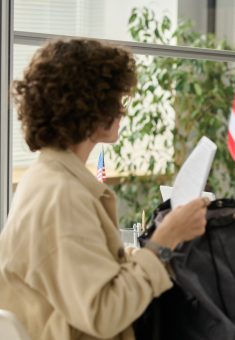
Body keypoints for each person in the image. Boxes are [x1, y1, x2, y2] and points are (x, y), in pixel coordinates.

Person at [0, 38, 209, 340]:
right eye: (116, 100)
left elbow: (75, 272)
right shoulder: (63, 196)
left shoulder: (46, 179)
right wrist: (163, 243)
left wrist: (136, 254)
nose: (122, 111)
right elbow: (103, 313)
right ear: (91, 108)